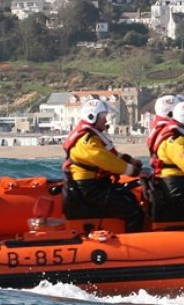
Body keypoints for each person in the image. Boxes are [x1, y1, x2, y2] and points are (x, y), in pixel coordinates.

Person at [62, 98, 145, 233]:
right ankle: (131, 248)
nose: (106, 121)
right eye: (103, 117)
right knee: (134, 213)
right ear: (92, 117)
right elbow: (106, 160)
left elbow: (111, 155)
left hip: (95, 184)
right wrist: (135, 172)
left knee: (128, 197)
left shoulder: (91, 137)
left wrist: (130, 160)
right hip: (89, 188)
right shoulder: (87, 141)